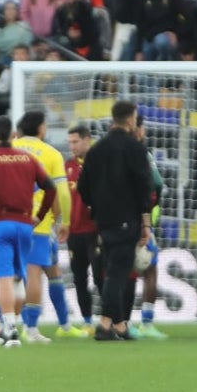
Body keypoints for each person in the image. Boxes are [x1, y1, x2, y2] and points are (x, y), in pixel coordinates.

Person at [0, 115, 57, 348]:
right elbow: (50, 187)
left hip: (0, 223)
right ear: (14, 135)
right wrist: (39, 215)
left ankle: (9, 329)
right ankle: (10, 325)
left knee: (4, 277)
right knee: (19, 278)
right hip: (25, 225)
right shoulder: (28, 159)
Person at [76, 100, 152, 341]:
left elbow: (82, 186)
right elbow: (144, 187)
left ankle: (119, 325)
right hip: (126, 219)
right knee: (118, 273)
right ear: (130, 119)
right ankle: (104, 324)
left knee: (112, 268)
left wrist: (95, 206)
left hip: (102, 220)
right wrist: (146, 223)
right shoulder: (134, 148)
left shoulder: (96, 150)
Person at [13, 111, 86, 341]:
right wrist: (64, 220)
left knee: (52, 270)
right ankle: (30, 328)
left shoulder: (8, 149)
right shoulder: (50, 153)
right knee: (34, 272)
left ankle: (64, 324)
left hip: (11, 218)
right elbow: (62, 192)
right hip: (39, 221)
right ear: (42, 129)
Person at [64, 124, 101, 329]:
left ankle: (109, 319)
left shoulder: (99, 164)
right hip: (74, 231)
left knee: (99, 276)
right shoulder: (67, 166)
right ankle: (87, 322)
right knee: (79, 278)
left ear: (87, 140)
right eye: (69, 142)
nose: (72, 146)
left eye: (75, 141)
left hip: (95, 230)